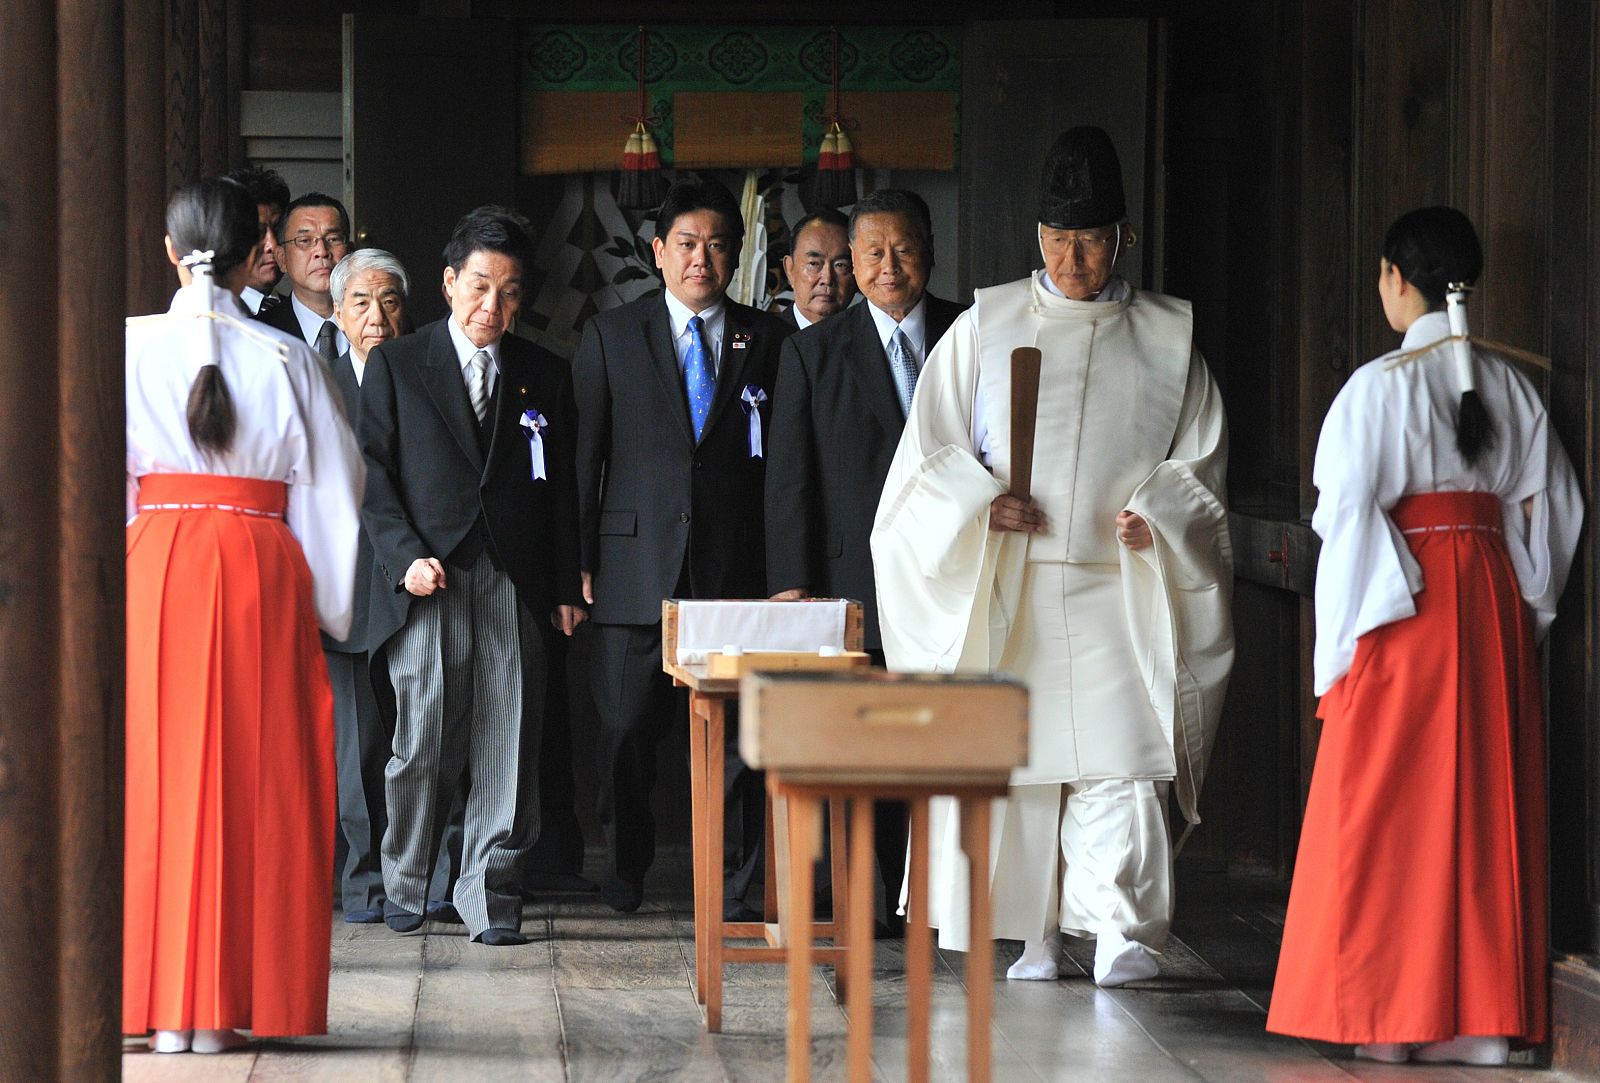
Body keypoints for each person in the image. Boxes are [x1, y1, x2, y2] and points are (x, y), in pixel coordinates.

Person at [871, 126, 1234, 987]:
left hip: (1118, 584)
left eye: (1093, 241)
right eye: (1060, 240)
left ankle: (1121, 931)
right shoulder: (985, 325)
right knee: (1020, 763)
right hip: (1011, 582)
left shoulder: (1168, 336)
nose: (1074, 260)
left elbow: (1201, 461)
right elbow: (927, 455)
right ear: (1038, 236)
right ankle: (1030, 933)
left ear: (1123, 237)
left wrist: (1160, 516)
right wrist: (978, 503)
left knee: (1121, 757)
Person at [1266, 207, 1582, 1066]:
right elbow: (1553, 507)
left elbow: (1347, 516)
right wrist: (1529, 605)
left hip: (1401, 599)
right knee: (1483, 800)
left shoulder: (1378, 387)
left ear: (1396, 280)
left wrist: (1342, 643)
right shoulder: (1512, 387)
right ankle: (1479, 1026)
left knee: (1386, 807)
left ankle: (1389, 1022)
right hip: (1487, 597)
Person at [124, 176, 364, 1053]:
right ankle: (227, 1003)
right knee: (256, 778)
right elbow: (335, 487)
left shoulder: (126, 347)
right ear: (255, 252)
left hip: (155, 563)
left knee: (151, 778)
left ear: (168, 248)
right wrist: (329, 603)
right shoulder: (287, 358)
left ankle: (156, 1002)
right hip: (259, 562)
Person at [359, 206, 585, 946]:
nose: (494, 305)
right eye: (481, 286)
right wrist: (404, 558)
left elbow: (562, 491)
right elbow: (371, 476)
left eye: (510, 291)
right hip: (432, 576)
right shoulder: (399, 365)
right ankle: (407, 882)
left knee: (509, 743)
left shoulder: (544, 372)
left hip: (515, 579)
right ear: (450, 282)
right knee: (422, 740)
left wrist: (563, 586)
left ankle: (492, 895)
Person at [573, 179, 791, 917]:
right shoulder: (612, 334)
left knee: (736, 738)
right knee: (624, 726)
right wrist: (579, 560)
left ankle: (730, 883)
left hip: (735, 567)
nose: (703, 258)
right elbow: (585, 457)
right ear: (659, 251)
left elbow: (782, 467)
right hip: (633, 565)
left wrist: (784, 571)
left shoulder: (768, 339)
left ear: (737, 255)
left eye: (718, 245)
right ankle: (625, 863)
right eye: (688, 244)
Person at [766, 188, 965, 929]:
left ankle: (947, 895)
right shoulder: (812, 352)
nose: (889, 266)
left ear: (929, 251)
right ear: (852, 259)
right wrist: (793, 583)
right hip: (857, 581)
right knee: (871, 743)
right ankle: (879, 898)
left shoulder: (968, 334)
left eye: (903, 249)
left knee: (942, 741)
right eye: (873, 252)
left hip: (956, 580)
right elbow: (790, 481)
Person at [324, 248, 410, 922]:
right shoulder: (317, 383)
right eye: (360, 302)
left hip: (416, 580)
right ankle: (364, 883)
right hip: (344, 583)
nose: (376, 316)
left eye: (389, 301)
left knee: (421, 738)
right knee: (356, 746)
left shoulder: (427, 377)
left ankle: (423, 875)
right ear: (337, 312)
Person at [256, 192, 354, 362]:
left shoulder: (378, 323)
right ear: (282, 258)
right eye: (304, 241)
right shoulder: (259, 333)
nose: (322, 251)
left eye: (333, 239)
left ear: (351, 252)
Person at [225, 165, 290, 315]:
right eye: (258, 233)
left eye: (278, 230)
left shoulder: (302, 315)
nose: (272, 245)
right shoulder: (211, 318)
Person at [780, 207, 855, 328]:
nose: (827, 279)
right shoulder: (767, 337)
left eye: (840, 265)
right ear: (790, 269)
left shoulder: (872, 336)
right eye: (814, 264)